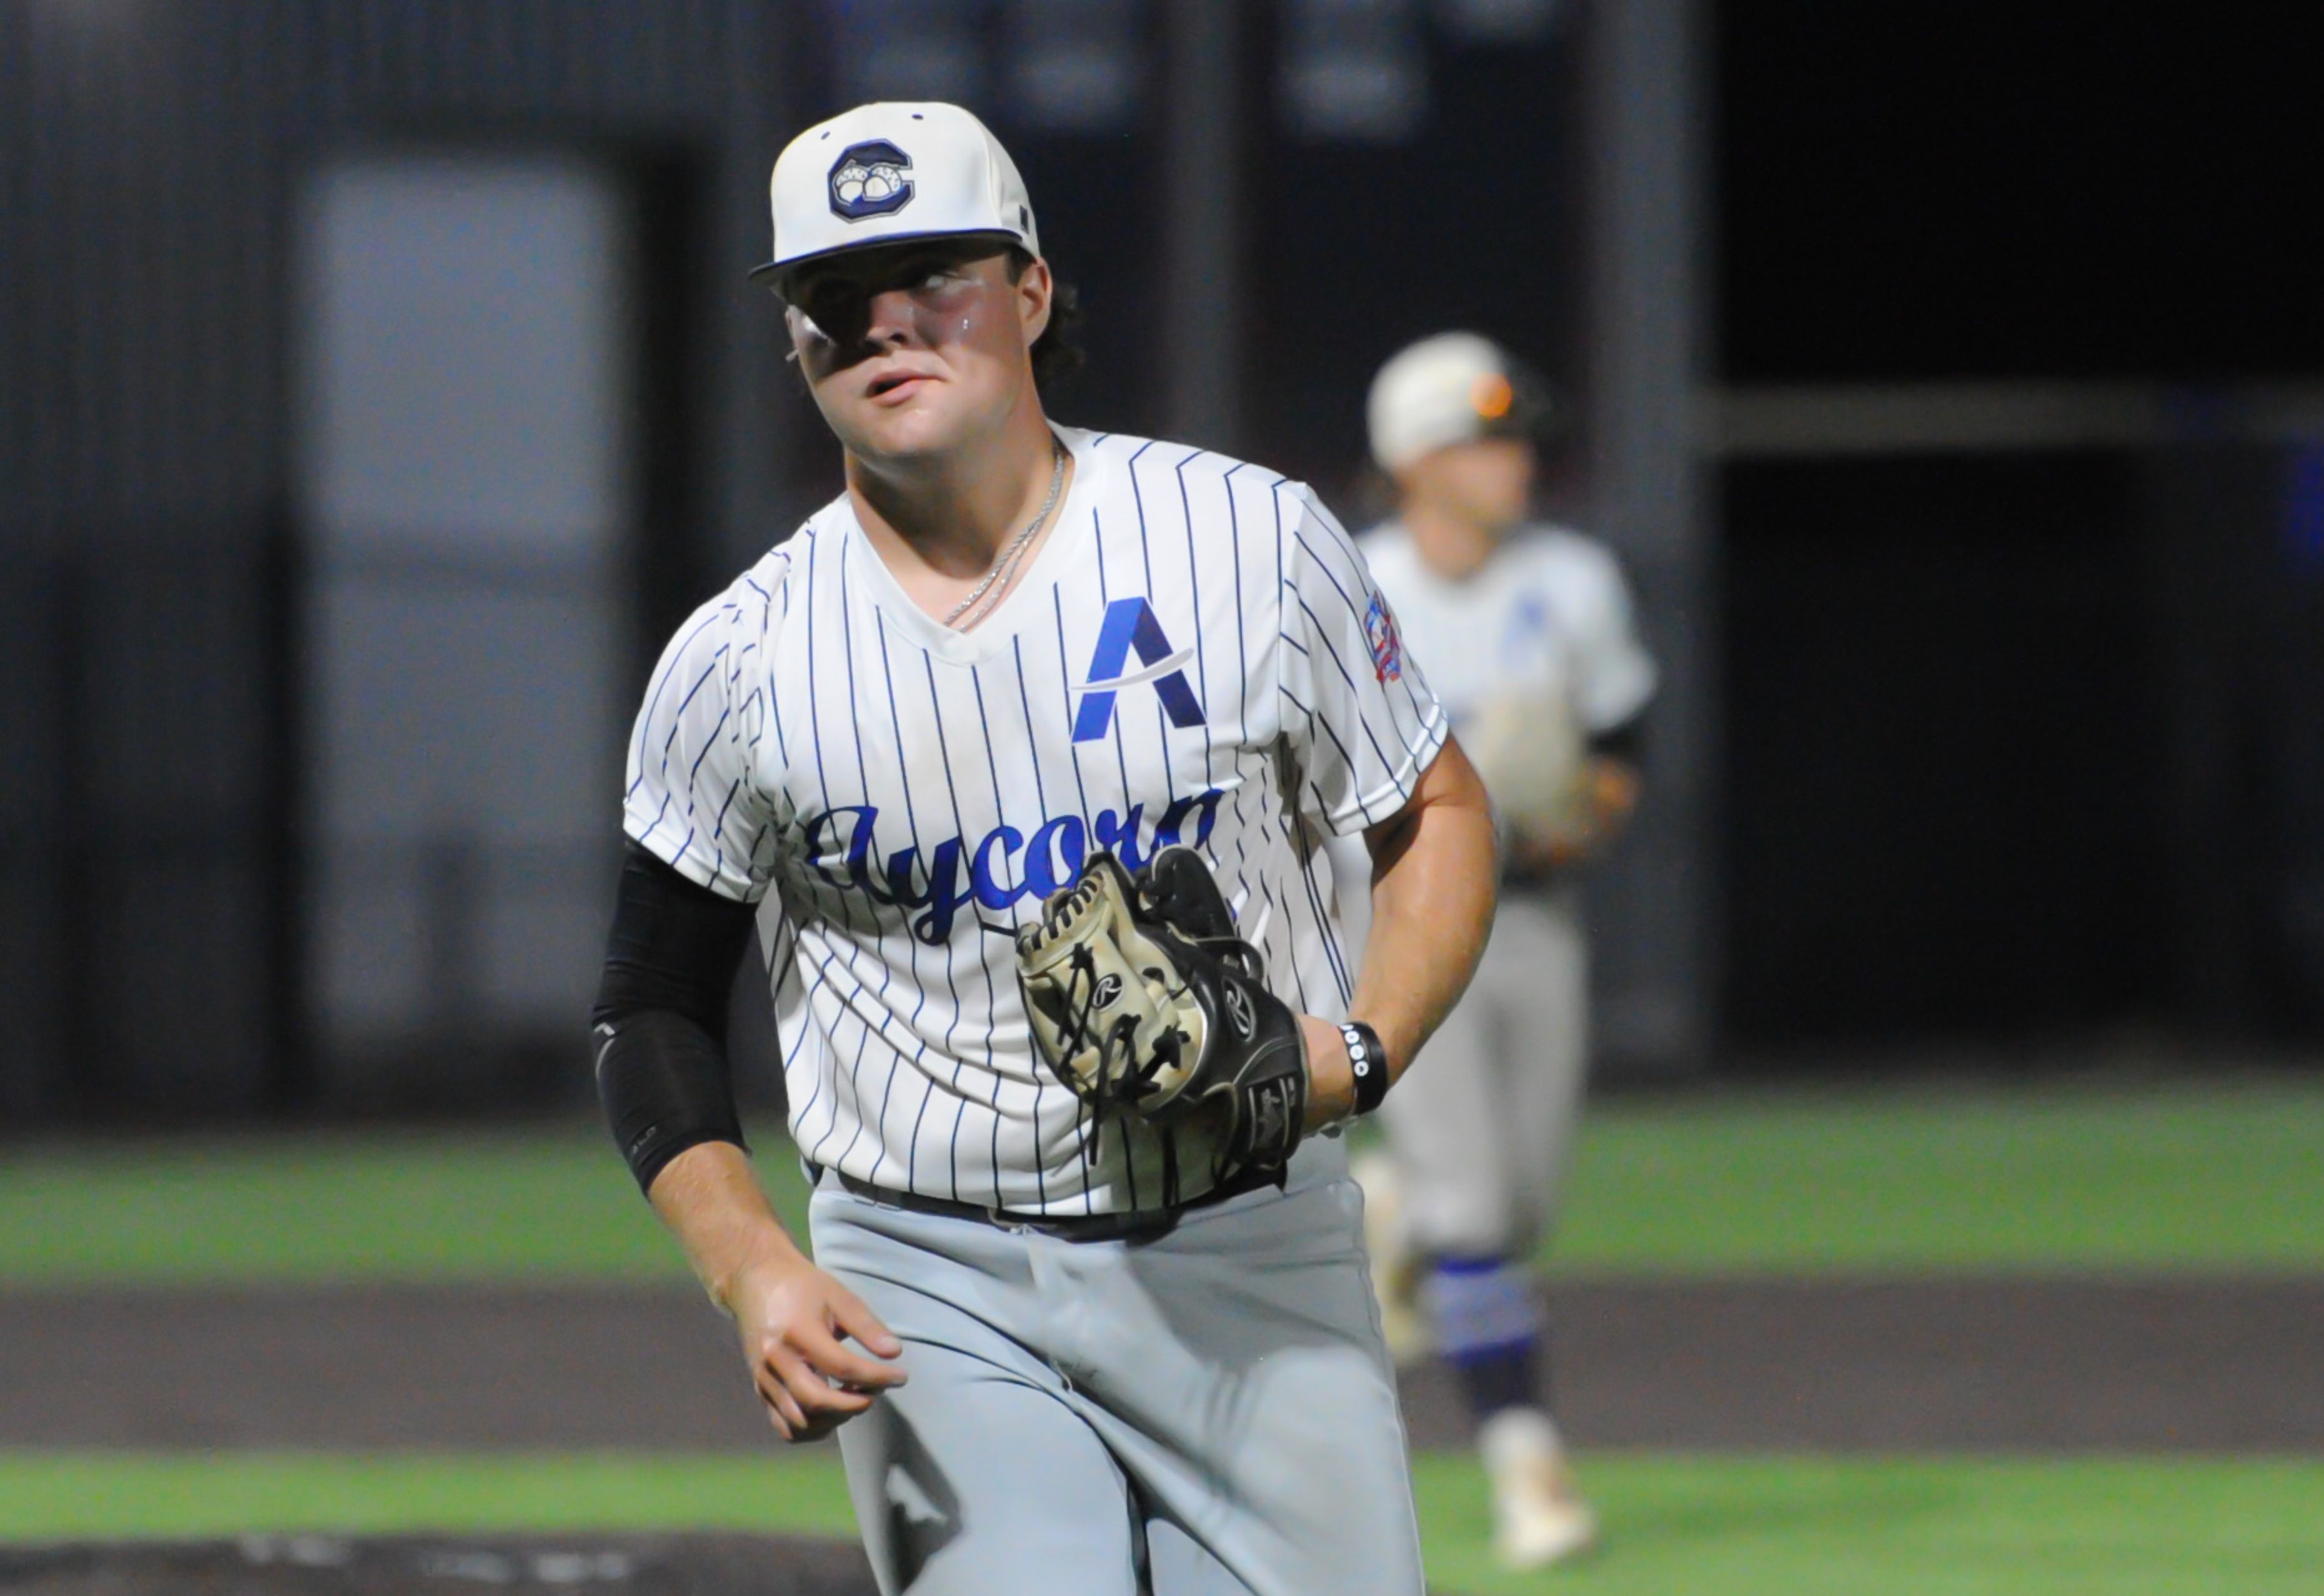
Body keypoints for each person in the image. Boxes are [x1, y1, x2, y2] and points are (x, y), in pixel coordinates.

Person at [588, 103, 1499, 1596]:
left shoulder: (1244, 543)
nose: (880, 320)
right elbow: (650, 1003)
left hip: (1250, 1249)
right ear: (792, 339)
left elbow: (1436, 809)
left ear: (1030, 289)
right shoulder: (738, 659)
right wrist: (753, 1265)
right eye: (828, 294)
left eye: (931, 272)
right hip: (928, 1280)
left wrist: (1360, 1054)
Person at [1344, 332, 1657, 1572]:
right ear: (1416, 458)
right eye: (1488, 436)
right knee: (1480, 1214)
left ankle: (1392, 1209)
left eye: (1521, 434)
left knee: (1519, 1202)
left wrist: (1582, 810)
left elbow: (1625, 748)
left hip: (1533, 914)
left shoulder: (1573, 581)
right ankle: (1532, 1469)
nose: (1516, 458)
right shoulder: (1350, 583)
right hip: (1400, 916)